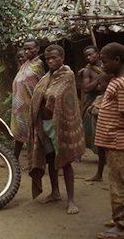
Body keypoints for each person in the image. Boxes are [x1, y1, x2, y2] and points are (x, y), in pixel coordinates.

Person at [28, 44, 85, 215]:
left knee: (65, 161)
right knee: (51, 158)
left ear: (62, 57)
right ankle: (55, 192)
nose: (51, 61)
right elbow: (40, 95)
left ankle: (71, 200)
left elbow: (57, 95)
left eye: (54, 58)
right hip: (44, 124)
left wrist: (44, 96)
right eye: (48, 59)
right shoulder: (47, 76)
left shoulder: (67, 75)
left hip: (59, 125)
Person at [94, 43, 124, 239]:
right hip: (114, 141)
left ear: (117, 60)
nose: (101, 64)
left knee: (121, 184)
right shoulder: (115, 80)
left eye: (104, 61)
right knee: (119, 181)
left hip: (120, 140)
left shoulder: (123, 84)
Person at [11, 38, 45, 160]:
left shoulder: (38, 65)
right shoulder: (25, 65)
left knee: (33, 134)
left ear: (37, 49)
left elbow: (42, 84)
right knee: (20, 134)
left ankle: (34, 161)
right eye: (25, 49)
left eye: (30, 49)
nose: (26, 52)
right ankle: (14, 159)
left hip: (31, 105)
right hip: (20, 106)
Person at [84, 73, 112, 182]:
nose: (98, 86)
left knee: (110, 155)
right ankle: (99, 174)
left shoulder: (109, 97)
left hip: (108, 131)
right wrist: (94, 109)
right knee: (101, 152)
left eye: (101, 84)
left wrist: (96, 109)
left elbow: (98, 110)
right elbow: (91, 110)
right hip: (100, 130)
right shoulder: (100, 97)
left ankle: (112, 176)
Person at [80, 46, 105, 164]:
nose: (88, 57)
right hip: (91, 101)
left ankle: (103, 156)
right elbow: (86, 88)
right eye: (86, 56)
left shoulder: (106, 66)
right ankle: (79, 153)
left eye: (91, 54)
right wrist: (98, 79)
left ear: (98, 54)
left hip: (105, 101)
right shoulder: (87, 71)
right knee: (87, 128)